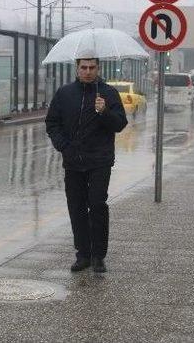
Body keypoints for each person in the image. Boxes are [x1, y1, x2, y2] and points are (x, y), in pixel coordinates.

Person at [45, 54, 128, 273]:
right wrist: (63, 145)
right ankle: (82, 254)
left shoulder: (108, 93)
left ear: (98, 68)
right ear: (77, 68)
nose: (88, 71)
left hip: (100, 161)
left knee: (98, 204)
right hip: (73, 161)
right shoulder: (65, 94)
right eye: (84, 67)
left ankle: (98, 255)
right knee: (77, 207)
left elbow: (120, 124)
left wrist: (104, 112)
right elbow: (52, 122)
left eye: (92, 67)